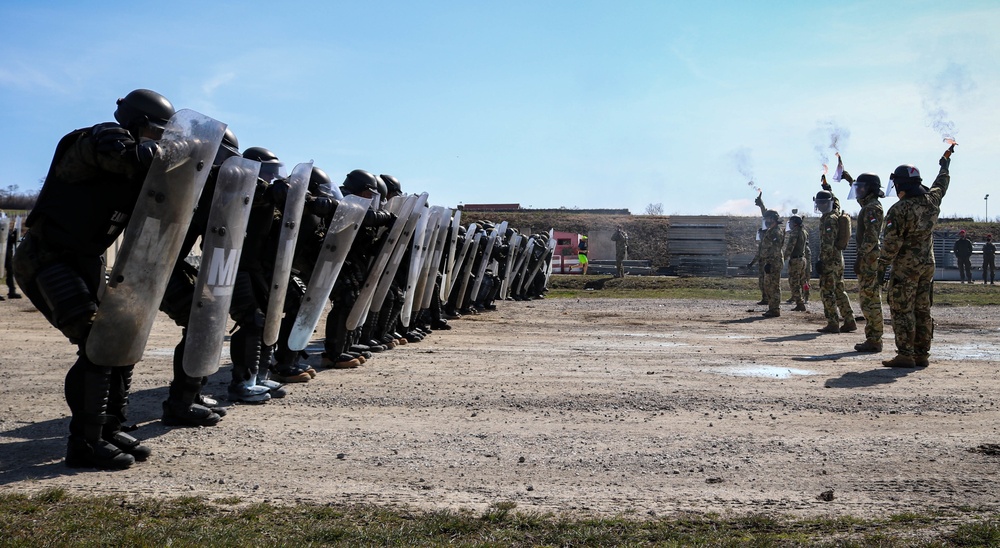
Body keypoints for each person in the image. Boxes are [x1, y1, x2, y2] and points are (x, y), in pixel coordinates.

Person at [12, 89, 173, 469]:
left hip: (83, 259)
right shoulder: (98, 138)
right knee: (96, 345)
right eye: (156, 132)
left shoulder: (139, 162)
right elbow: (129, 157)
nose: (159, 141)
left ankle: (109, 428)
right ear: (136, 123)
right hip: (46, 257)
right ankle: (83, 443)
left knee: (117, 343)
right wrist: (179, 153)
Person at [878, 147, 954, 368]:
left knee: (902, 308)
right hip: (927, 264)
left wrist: (881, 267)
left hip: (905, 267)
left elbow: (891, 244)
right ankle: (922, 353)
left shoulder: (899, 209)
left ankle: (905, 354)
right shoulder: (932, 201)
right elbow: (941, 184)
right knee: (922, 308)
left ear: (900, 185)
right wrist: (945, 165)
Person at [842, 171, 885, 352]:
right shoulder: (869, 205)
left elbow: (871, 237)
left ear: (871, 189)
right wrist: (849, 179)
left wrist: (860, 258)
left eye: (861, 187)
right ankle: (873, 338)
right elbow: (861, 200)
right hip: (869, 257)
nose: (858, 190)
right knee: (867, 299)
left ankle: (874, 339)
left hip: (869, 258)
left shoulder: (872, 208)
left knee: (870, 300)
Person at [814, 175, 857, 334]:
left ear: (825, 204)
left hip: (830, 261)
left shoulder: (829, 220)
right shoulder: (835, 212)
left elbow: (827, 243)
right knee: (840, 290)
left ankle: (833, 322)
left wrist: (822, 262)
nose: (818, 206)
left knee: (827, 291)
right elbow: (836, 202)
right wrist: (828, 188)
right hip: (838, 260)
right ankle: (849, 320)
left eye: (820, 203)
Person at [757, 209, 785, 317]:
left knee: (773, 286)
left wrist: (770, 262)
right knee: (768, 285)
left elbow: (775, 249)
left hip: (774, 262)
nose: (766, 221)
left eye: (768, 219)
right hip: (770, 261)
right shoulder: (771, 230)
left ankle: (775, 309)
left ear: (773, 219)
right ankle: (772, 308)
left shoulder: (776, 231)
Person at [784, 214, 808, 311]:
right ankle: (806, 296)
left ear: (794, 224)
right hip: (802, 259)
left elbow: (790, 247)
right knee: (803, 281)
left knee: (794, 282)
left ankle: (800, 303)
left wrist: (784, 258)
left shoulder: (795, 233)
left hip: (795, 260)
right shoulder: (804, 232)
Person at [4, 216, 22, 299]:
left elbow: (9, 240)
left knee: (10, 271)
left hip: (7, 253)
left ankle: (12, 291)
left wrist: (15, 235)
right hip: (2, 253)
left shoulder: (4, 227)